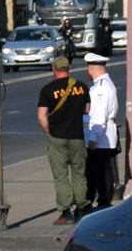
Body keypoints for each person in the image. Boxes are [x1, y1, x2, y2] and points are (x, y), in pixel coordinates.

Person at [38, 55, 90, 224]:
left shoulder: (47, 90)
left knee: (61, 176)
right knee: (79, 174)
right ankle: (82, 209)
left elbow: (41, 117)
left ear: (54, 69)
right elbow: (87, 110)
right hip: (77, 137)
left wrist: (48, 133)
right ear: (68, 69)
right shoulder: (81, 87)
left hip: (57, 137)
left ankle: (66, 212)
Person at [83, 51, 118, 210]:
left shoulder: (101, 88)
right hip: (105, 134)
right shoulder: (104, 84)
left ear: (91, 68)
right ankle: (103, 199)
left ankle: (103, 201)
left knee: (100, 171)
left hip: (101, 136)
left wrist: (93, 138)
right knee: (103, 170)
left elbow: (99, 115)